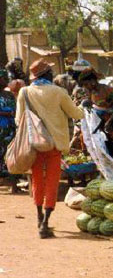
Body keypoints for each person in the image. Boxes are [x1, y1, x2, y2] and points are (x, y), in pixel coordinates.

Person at [15, 59, 84, 238]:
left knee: (37, 180)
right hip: (54, 144)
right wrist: (84, 108)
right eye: (50, 72)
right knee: (52, 181)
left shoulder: (25, 92)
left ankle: (39, 218)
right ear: (46, 74)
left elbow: (18, 120)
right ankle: (45, 222)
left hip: (34, 145)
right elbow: (75, 114)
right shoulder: (59, 92)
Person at [79, 68, 113, 163]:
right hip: (104, 128)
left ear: (93, 81)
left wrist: (110, 121)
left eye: (86, 84)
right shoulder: (92, 92)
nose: (86, 87)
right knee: (109, 154)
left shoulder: (107, 90)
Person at [0, 70, 18, 192]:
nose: (4, 81)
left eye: (5, 78)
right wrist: (7, 112)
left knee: (11, 155)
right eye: (2, 78)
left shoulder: (9, 95)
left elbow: (16, 110)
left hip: (9, 130)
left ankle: (14, 185)